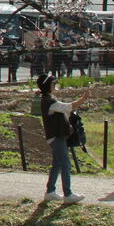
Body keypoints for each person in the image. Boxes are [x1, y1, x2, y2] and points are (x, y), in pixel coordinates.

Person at [38, 73, 90, 203]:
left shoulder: (47, 100)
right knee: (66, 164)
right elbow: (68, 107)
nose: (54, 85)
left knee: (57, 164)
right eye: (53, 84)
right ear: (48, 86)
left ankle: (50, 191)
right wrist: (83, 99)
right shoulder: (49, 102)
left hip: (55, 136)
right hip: (56, 137)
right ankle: (68, 194)